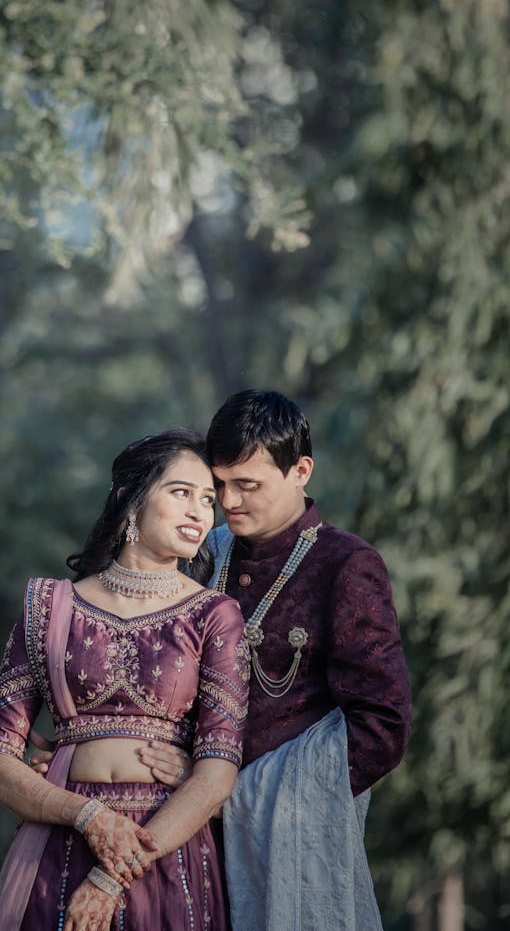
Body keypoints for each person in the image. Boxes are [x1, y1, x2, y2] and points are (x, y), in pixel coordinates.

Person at [137, 390, 412, 930]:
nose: (229, 501)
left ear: (301, 470)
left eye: (248, 485)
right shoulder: (203, 552)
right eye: (219, 485)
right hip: (165, 835)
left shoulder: (345, 565)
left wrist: (226, 795)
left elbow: (383, 727)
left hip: (279, 854)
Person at [0, 428, 250, 931]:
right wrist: (89, 817)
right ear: (131, 498)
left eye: (208, 499)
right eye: (181, 492)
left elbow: (216, 776)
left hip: (166, 856)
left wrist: (111, 878)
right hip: (59, 844)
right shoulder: (49, 607)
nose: (199, 512)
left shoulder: (215, 615)